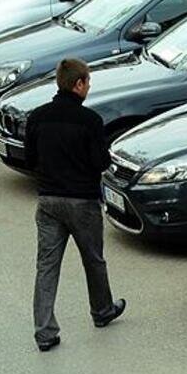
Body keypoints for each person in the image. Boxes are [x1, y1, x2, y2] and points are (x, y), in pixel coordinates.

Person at [24, 57, 125, 352]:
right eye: (88, 82)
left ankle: (45, 332)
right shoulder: (90, 121)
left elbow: (30, 159)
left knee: (47, 266)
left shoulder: (38, 117)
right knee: (93, 260)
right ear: (78, 84)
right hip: (82, 202)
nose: (89, 87)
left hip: (48, 201)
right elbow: (101, 162)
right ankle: (102, 311)